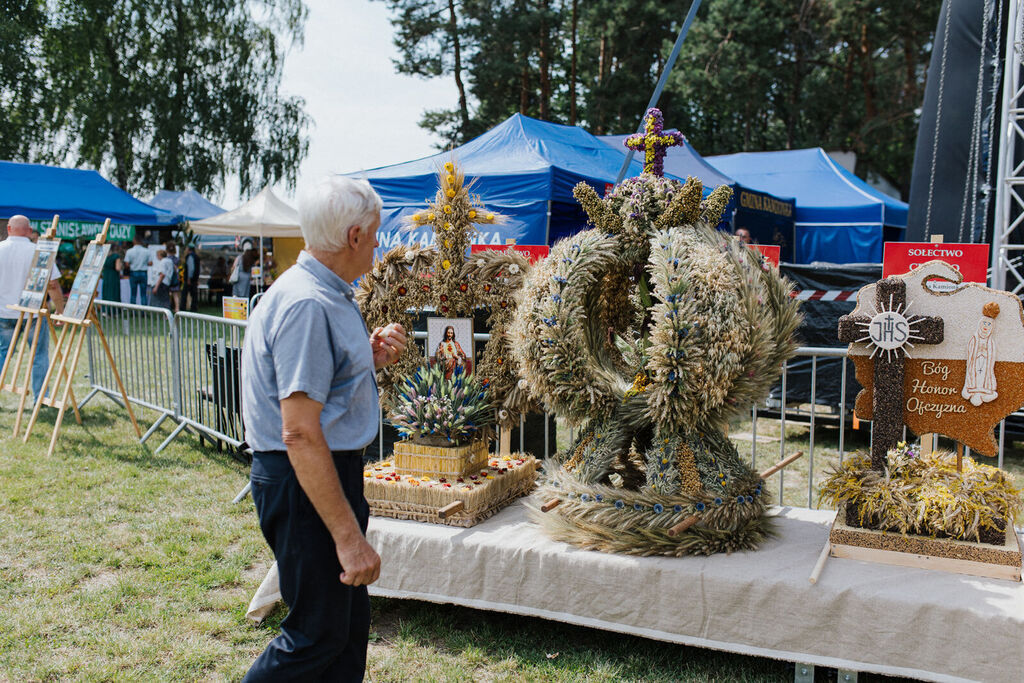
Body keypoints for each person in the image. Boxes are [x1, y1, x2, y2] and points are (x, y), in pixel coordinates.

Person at [240, 176, 407, 680]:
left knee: (344, 632)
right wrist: (348, 538)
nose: (380, 242)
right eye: (376, 232)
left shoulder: (321, 292)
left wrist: (363, 361)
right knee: (317, 635)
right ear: (354, 236)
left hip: (316, 474)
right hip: (306, 477)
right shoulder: (308, 304)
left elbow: (314, 393)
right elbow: (300, 431)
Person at [0, 215, 66, 399]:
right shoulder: (38, 251)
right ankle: (41, 397)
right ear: (29, 231)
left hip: (4, 312)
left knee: (2, 354)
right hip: (33, 313)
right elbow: (53, 284)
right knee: (39, 356)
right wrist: (60, 310)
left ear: (9, 229)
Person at [962, 301, 1000, 407]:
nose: (986, 326)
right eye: (984, 323)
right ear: (980, 324)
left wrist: (985, 354)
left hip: (985, 365)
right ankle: (973, 387)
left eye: (989, 324)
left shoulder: (991, 342)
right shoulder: (974, 339)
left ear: (992, 327)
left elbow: (992, 356)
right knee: (975, 375)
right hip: (975, 364)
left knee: (984, 375)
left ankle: (983, 389)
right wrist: (978, 353)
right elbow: (970, 353)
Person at [124, 236, 151, 305]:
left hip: (133, 272)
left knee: (133, 293)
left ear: (134, 241)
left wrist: (133, 265)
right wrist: (143, 263)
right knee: (143, 294)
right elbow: (150, 263)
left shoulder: (129, 251)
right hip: (143, 273)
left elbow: (126, 264)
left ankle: (133, 312)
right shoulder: (147, 251)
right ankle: (144, 311)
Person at [183, 243, 201, 312]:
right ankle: (194, 307)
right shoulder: (196, 256)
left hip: (190, 279)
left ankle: (183, 308)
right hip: (195, 278)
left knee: (185, 293)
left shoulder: (190, 256)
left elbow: (191, 268)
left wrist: (189, 278)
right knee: (194, 294)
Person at [165, 240, 181, 312]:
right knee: (175, 295)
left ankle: (168, 309)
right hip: (175, 279)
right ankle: (177, 309)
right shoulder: (177, 259)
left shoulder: (166, 260)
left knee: (168, 295)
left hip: (168, 279)